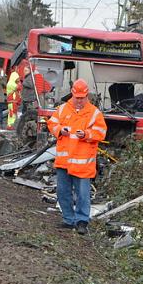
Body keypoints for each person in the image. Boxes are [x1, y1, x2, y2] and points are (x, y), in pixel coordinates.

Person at [46, 79, 107, 235]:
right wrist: (60, 130)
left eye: (82, 98)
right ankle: (68, 219)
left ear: (87, 96)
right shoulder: (62, 109)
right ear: (72, 94)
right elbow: (51, 123)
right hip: (64, 162)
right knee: (62, 192)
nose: (79, 101)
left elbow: (101, 132)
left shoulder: (94, 113)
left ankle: (81, 222)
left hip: (83, 163)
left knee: (83, 195)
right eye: (77, 98)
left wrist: (86, 134)